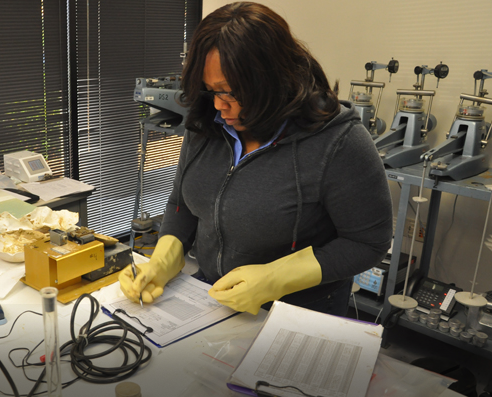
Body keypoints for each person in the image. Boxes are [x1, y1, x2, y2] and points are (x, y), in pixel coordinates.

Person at [119, 2, 393, 316]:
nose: (220, 105)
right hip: (213, 295)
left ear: (274, 79)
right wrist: (162, 261)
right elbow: (182, 202)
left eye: (230, 92)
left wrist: (275, 279)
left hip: (300, 310)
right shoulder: (208, 121)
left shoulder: (339, 142)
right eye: (211, 91)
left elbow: (367, 243)